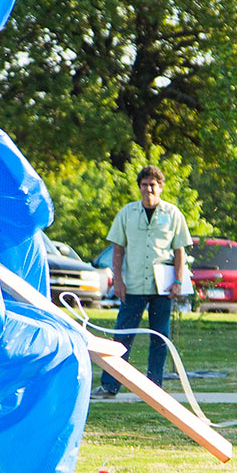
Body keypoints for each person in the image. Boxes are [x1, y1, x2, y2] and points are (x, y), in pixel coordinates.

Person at [97, 165, 191, 399]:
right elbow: (118, 249)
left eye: (153, 185)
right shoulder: (127, 213)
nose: (148, 189)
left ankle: (154, 388)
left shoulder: (173, 214)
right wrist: (117, 281)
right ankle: (110, 385)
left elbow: (179, 252)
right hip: (134, 285)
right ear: (139, 187)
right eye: (144, 184)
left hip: (163, 287)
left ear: (161, 187)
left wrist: (178, 280)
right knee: (122, 336)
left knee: (159, 337)